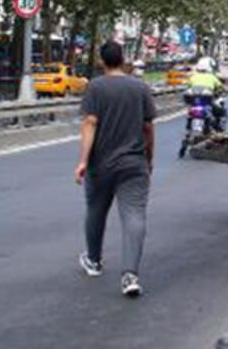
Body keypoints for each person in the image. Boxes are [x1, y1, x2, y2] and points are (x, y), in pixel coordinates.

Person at [74, 41, 157, 298]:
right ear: (123, 59)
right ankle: (130, 275)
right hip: (134, 163)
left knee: (96, 211)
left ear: (102, 61)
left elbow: (90, 123)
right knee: (134, 216)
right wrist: (149, 158)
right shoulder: (140, 87)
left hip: (101, 165)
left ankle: (94, 261)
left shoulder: (95, 87)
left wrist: (83, 161)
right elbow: (148, 128)